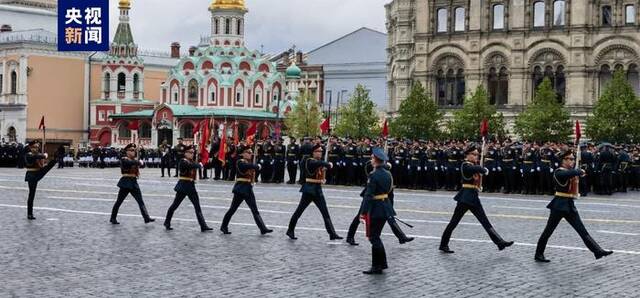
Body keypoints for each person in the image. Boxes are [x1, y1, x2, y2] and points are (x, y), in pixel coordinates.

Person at [534, 149, 613, 262]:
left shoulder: (569, 171)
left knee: (581, 230)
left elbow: (576, 174)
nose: (572, 161)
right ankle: (538, 254)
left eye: (572, 159)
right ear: (563, 160)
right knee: (548, 231)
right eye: (570, 159)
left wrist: (580, 171)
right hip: (559, 205)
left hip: (569, 205)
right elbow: (570, 173)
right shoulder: (559, 172)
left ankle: (597, 251)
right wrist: (578, 171)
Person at [439, 145, 514, 253]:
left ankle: (500, 242)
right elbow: (475, 169)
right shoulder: (465, 165)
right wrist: (483, 169)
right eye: (474, 154)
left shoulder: (473, 165)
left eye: (477, 155)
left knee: (485, 221)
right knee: (454, 222)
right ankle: (443, 244)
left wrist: (478, 186)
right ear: (467, 155)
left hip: (473, 197)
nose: (476, 156)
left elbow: (476, 176)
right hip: (465, 198)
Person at [346, 160, 414, 246]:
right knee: (358, 217)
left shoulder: (387, 177)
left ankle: (401, 237)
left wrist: (390, 206)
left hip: (382, 201)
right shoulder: (374, 172)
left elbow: (390, 194)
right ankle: (350, 237)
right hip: (370, 198)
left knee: (390, 218)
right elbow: (368, 168)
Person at [286, 144, 343, 240]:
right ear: (313, 152)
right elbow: (316, 164)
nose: (320, 153)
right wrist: (327, 164)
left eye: (321, 151)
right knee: (299, 211)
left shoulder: (318, 161)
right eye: (318, 151)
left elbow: (322, 168)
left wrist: (326, 168)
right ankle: (290, 230)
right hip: (309, 190)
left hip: (317, 189)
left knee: (325, 212)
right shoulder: (309, 161)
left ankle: (332, 233)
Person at [220, 146, 273, 235]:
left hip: (248, 189)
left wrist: (257, 166)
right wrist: (256, 165)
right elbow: (246, 167)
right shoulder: (240, 162)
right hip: (240, 189)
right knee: (232, 209)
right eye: (248, 152)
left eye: (250, 153)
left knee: (254, 210)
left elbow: (254, 170)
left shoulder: (249, 162)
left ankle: (263, 228)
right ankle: (223, 226)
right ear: (243, 154)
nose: (250, 154)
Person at [360, 148, 397, 275]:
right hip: (385, 206)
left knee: (374, 237)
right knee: (376, 236)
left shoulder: (374, 175)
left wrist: (363, 212)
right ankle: (381, 264)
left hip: (376, 208)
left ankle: (377, 266)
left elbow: (368, 195)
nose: (370, 160)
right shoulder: (388, 174)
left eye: (372, 158)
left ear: (376, 160)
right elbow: (390, 192)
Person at [164, 145, 213, 232]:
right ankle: (167, 222)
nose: (192, 154)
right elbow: (190, 166)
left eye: (193, 153)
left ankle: (203, 226)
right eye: (190, 152)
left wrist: (205, 161)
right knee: (174, 205)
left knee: (197, 206)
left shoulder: (192, 161)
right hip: (183, 186)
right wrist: (199, 164)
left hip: (191, 186)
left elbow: (199, 166)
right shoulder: (183, 161)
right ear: (185, 153)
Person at [109, 143, 155, 225]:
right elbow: (129, 163)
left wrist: (141, 161)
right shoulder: (124, 159)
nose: (133, 152)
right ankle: (113, 218)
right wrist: (138, 162)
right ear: (127, 151)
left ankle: (146, 218)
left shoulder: (134, 159)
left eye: (134, 150)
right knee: (119, 201)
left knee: (140, 201)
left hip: (133, 182)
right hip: (126, 182)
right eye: (131, 150)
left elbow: (142, 165)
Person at [24, 140, 57, 220]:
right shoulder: (28, 155)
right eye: (35, 147)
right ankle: (29, 214)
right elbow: (35, 157)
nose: (36, 148)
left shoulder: (37, 154)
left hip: (37, 173)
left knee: (47, 167)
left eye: (37, 147)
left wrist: (44, 158)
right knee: (31, 195)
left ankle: (55, 160)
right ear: (30, 147)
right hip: (31, 176)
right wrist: (43, 156)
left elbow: (39, 159)